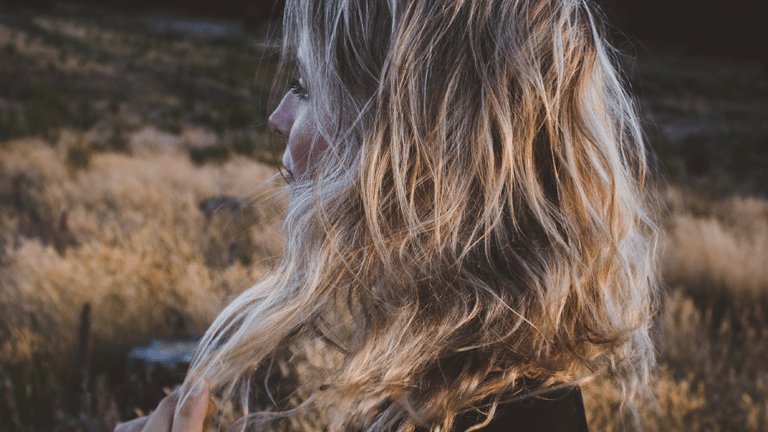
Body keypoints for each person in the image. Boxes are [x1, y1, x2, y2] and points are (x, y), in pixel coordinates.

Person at [115, 0, 659, 430]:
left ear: (409, 152)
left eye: (307, 88)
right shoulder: (475, 396)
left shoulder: (485, 413)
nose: (277, 116)